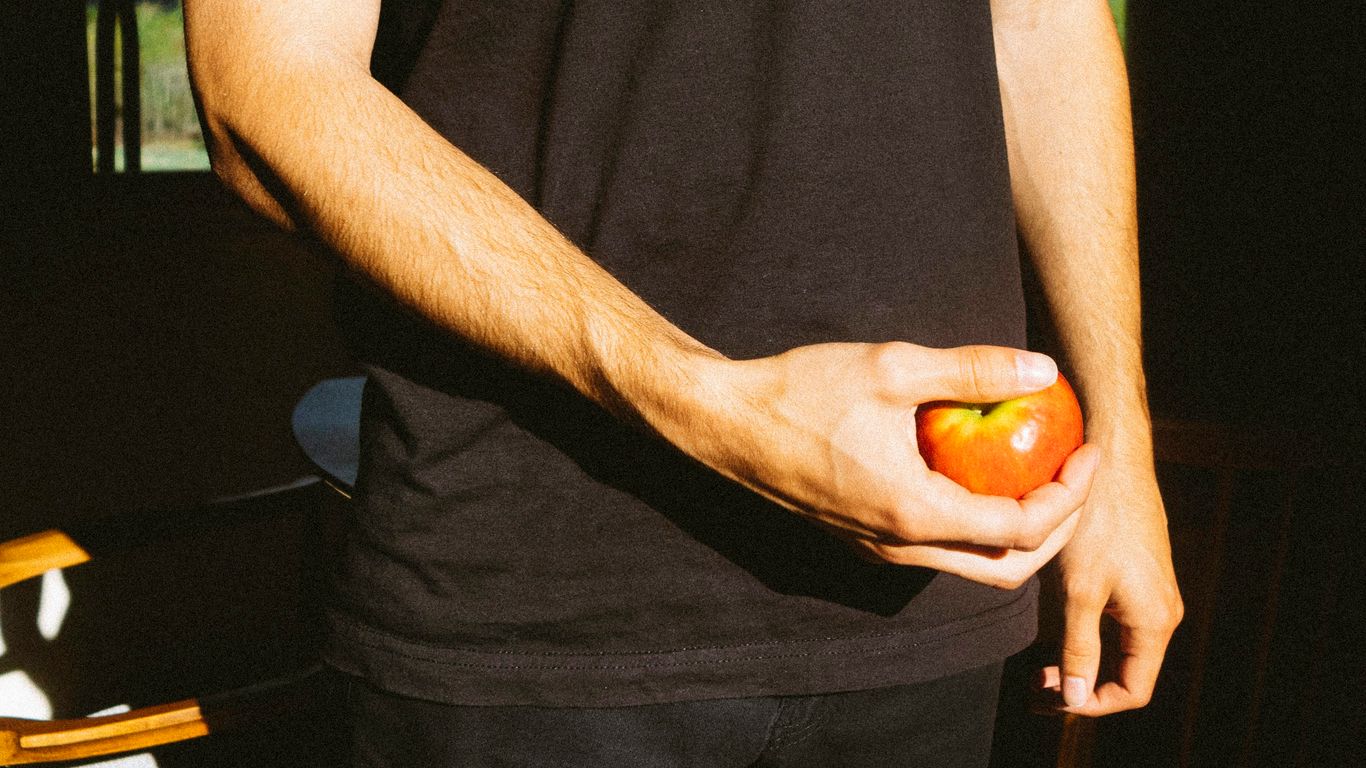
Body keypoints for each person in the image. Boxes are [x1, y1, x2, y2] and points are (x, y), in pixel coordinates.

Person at [185, 0, 1183, 765]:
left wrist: (1123, 453)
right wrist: (705, 400)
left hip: (932, 595)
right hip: (533, 620)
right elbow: (267, 84)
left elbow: (1040, 19)